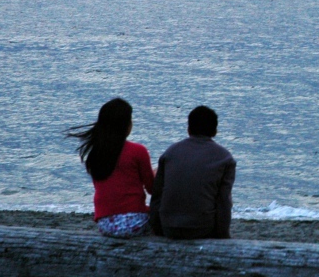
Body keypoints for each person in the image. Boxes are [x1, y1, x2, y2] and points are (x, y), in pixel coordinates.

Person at [66, 98, 155, 238]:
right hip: (134, 223)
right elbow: (152, 189)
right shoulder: (138, 151)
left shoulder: (96, 153)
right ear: (126, 125)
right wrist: (158, 174)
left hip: (105, 224)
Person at [149, 105, 236, 239]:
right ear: (215, 131)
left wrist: (157, 229)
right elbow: (223, 202)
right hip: (201, 228)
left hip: (168, 227)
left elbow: (157, 196)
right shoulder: (225, 158)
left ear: (188, 129)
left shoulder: (170, 153)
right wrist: (224, 236)